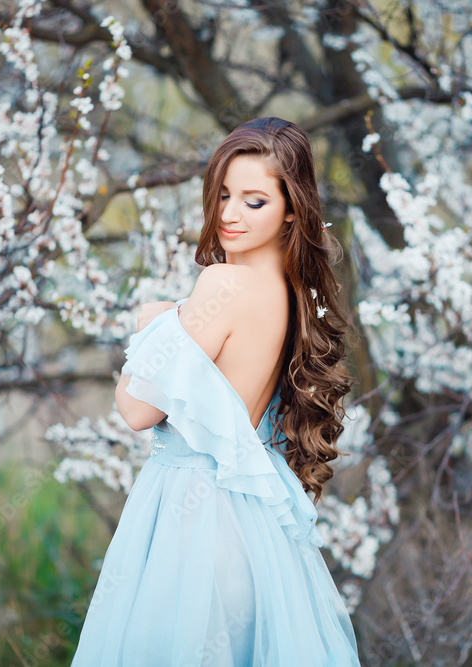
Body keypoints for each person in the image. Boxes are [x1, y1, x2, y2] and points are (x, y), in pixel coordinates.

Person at [70, 117, 361, 666]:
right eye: (224, 194)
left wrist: (156, 323)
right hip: (250, 530)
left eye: (255, 201)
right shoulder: (292, 295)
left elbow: (137, 408)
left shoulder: (223, 284)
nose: (229, 214)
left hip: (192, 521)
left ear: (291, 209)